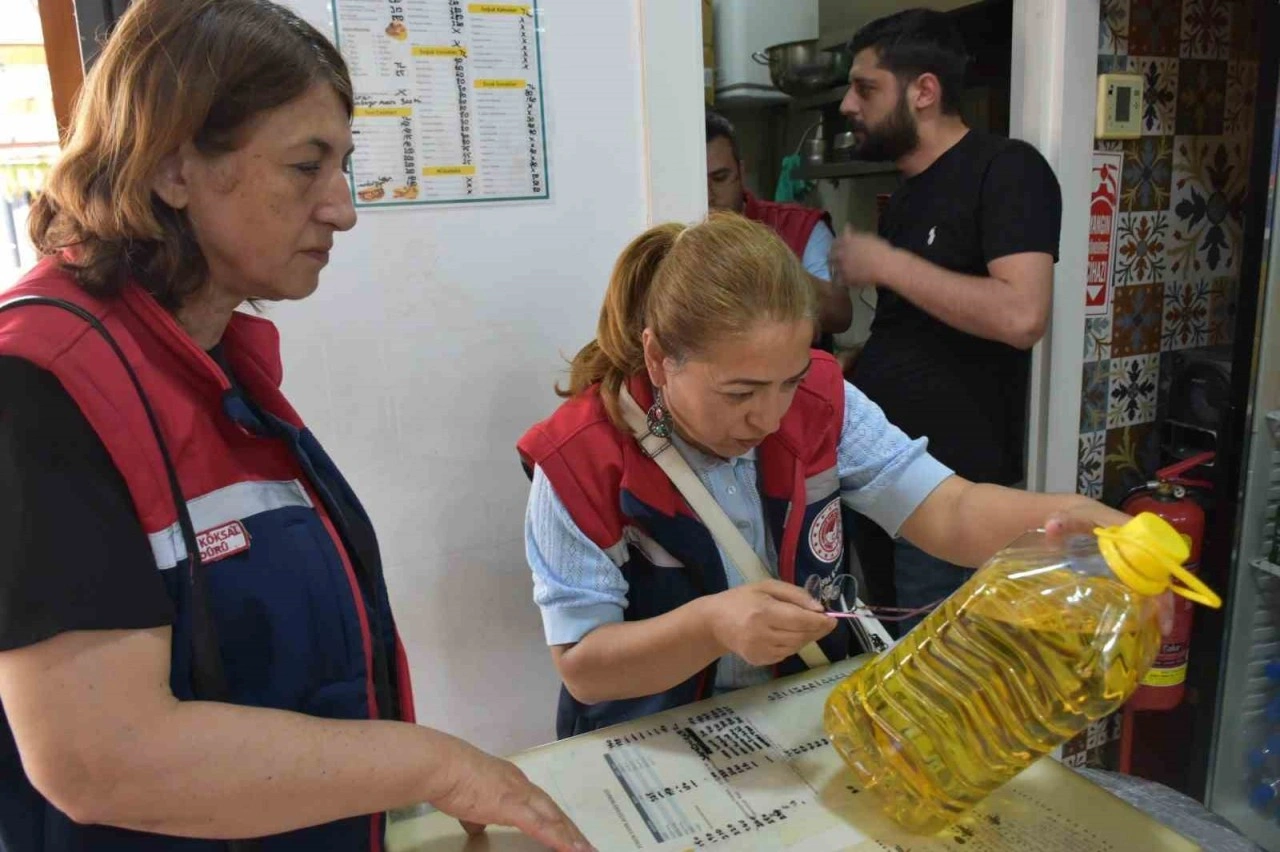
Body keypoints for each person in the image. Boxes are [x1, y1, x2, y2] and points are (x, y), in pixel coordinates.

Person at [0, 2, 590, 850]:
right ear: (172, 167)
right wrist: (434, 766)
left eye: (342, 166)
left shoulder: (212, 362)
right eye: (305, 167)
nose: (341, 210)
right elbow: (100, 758)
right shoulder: (39, 383)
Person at [517, 212, 1128, 738]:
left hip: (795, 719)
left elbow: (950, 511)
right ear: (658, 359)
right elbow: (584, 666)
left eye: (789, 381)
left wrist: (1069, 518)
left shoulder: (821, 401)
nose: (768, 417)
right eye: (739, 392)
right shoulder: (578, 459)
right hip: (653, 738)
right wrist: (713, 626)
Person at [828, 9, 1063, 629]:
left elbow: (1022, 314)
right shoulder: (908, 195)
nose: (849, 105)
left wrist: (889, 264)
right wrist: (854, 370)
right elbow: (919, 332)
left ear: (924, 91)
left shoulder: (1007, 169)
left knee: (936, 663)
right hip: (881, 479)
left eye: (866, 88)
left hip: (951, 493)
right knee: (889, 648)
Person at [705, 109, 851, 347]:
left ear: (741, 172)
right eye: (697, 183)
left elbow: (839, 315)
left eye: (720, 178)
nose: (709, 195)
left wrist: (763, 261)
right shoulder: (669, 234)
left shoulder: (800, 226)